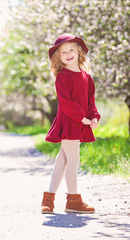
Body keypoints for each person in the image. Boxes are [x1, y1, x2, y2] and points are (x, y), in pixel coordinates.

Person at [41, 33, 101, 214]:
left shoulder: (86, 76)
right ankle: (73, 201)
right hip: (69, 122)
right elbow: (66, 103)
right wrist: (83, 119)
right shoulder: (62, 76)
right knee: (73, 160)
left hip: (80, 121)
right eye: (63, 52)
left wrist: (94, 117)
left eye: (71, 50)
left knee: (63, 160)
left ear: (79, 52)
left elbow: (90, 102)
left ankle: (48, 201)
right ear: (58, 57)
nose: (68, 54)